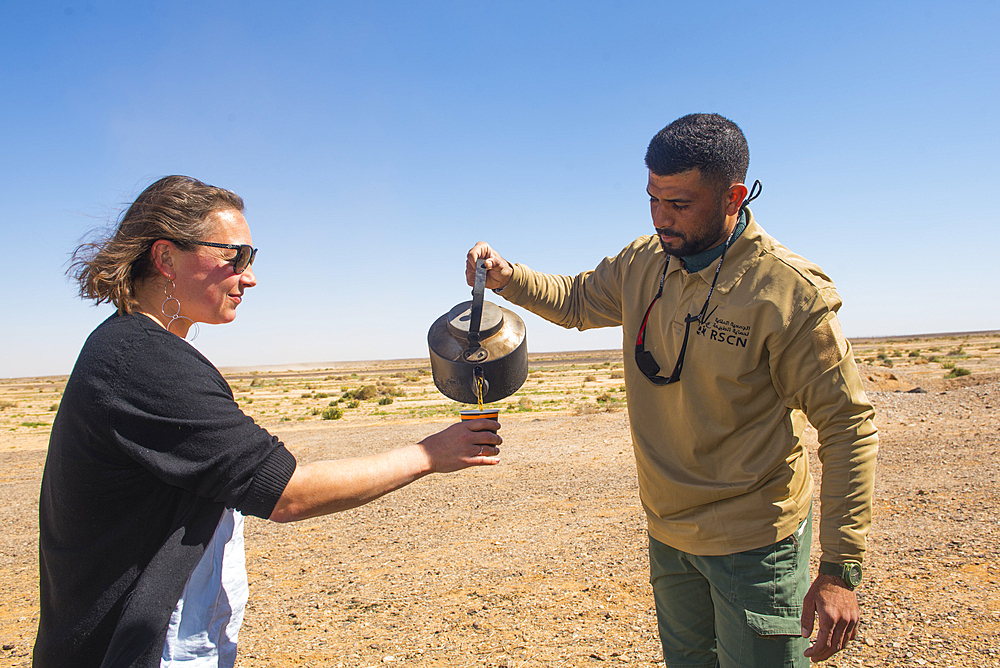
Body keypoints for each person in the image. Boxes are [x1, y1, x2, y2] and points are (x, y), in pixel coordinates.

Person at [34, 175, 503, 668]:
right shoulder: (144, 360)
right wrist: (429, 454)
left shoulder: (138, 346)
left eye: (251, 259)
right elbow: (288, 493)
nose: (249, 276)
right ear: (166, 257)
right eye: (233, 257)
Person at [466, 114, 878, 667]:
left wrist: (839, 570)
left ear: (733, 196)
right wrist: (508, 277)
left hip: (754, 543)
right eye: (653, 200)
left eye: (680, 204)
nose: (662, 218)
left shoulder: (787, 293)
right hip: (669, 535)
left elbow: (848, 424)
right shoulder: (644, 261)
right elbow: (580, 299)